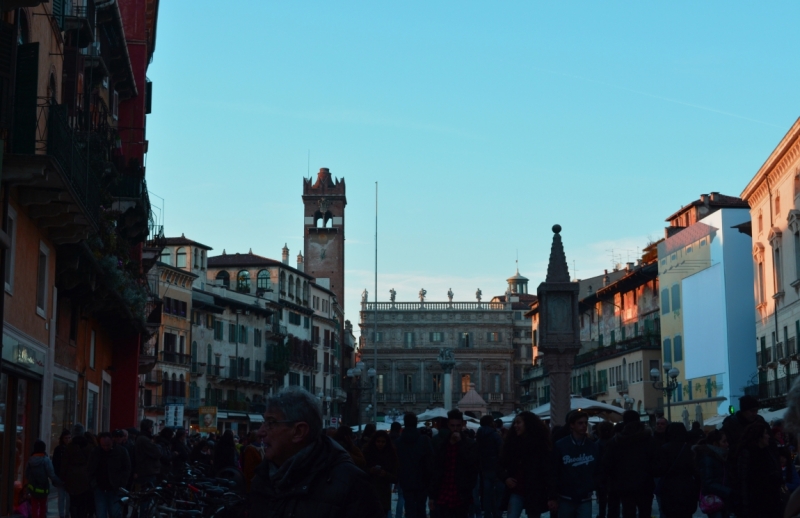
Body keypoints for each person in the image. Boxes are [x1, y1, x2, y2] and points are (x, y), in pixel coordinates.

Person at [249, 386, 383, 517]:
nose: (260, 432)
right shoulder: (261, 478)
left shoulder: (352, 485)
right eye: (264, 421)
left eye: (271, 423)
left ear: (299, 431)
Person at [497, 411, 554, 518]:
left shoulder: (540, 446)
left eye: (518, 423)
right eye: (515, 423)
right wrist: (506, 478)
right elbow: (499, 465)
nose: (515, 426)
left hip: (534, 491)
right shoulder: (511, 445)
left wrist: (552, 495)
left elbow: (548, 471)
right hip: (516, 489)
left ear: (528, 424)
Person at [601, 410, 657, 518]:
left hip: (624, 486)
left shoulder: (616, 442)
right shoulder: (649, 440)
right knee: (645, 512)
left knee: (628, 512)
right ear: (638, 420)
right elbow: (658, 463)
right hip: (645, 485)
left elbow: (606, 464)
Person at [429, 409, 479, 518]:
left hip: (461, 494)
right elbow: (436, 469)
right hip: (443, 492)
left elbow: (471, 464)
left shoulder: (470, 444)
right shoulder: (441, 444)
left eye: (458, 425)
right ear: (448, 425)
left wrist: (460, 444)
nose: (455, 429)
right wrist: (432, 495)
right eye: (452, 426)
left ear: (462, 425)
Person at [551, 410, 600, 518]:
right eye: (580, 423)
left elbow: (598, 469)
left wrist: (592, 484)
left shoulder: (593, 446)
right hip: (566, 497)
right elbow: (554, 471)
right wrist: (552, 496)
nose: (584, 426)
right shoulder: (560, 445)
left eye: (585, 423)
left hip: (585, 496)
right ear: (572, 425)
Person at [735, 422, 782, 518]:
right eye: (766, 433)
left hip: (771, 501)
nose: (768, 436)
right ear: (759, 437)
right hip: (756, 503)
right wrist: (745, 506)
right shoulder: (747, 453)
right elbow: (743, 481)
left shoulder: (767, 451)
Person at [654, 423, 698, 518]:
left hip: (669, 487)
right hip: (687, 487)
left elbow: (659, 470)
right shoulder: (689, 449)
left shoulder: (664, 449)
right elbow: (695, 470)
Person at [395, 413, 434, 518]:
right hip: (422, 479)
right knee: (421, 507)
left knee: (409, 507)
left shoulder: (398, 442)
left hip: (405, 479)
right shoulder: (424, 440)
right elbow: (431, 461)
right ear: (416, 423)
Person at [88, 432, 131, 518]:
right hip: (100, 487)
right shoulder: (96, 452)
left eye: (107, 445)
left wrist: (121, 483)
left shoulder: (121, 451)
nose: (105, 447)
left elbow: (127, 468)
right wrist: (93, 483)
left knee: (115, 513)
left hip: (115, 488)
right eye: (103, 445)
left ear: (112, 441)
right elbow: (90, 468)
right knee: (101, 513)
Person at [693, 429, 731, 518]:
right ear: (715, 443)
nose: (727, 444)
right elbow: (708, 482)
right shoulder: (708, 458)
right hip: (714, 499)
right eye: (724, 442)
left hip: (722, 497)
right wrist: (728, 491)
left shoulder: (720, 456)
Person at [61, 423, 94, 518]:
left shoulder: (69, 446)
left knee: (73, 500)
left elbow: (64, 463)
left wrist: (63, 477)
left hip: (72, 477)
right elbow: (92, 462)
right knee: (83, 501)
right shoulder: (89, 446)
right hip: (85, 476)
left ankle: (75, 515)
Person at [364, 430, 399, 517]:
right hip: (369, 492)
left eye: (383, 442)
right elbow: (360, 470)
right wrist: (370, 471)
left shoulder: (391, 455)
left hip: (383, 494)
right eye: (378, 441)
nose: (380, 444)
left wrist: (386, 474)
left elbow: (395, 477)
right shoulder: (367, 453)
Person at [26, 439, 62, 518]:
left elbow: (27, 474)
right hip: (43, 487)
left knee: (34, 506)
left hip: (33, 487)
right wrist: (59, 482)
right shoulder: (46, 460)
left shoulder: (30, 460)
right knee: (43, 506)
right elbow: (51, 474)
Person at [476, 415, 504, 518]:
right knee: (499, 493)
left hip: (484, 468)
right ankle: (497, 514)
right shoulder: (495, 435)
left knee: (487, 494)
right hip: (496, 468)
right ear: (490, 422)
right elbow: (502, 451)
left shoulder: (479, 434)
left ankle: (487, 514)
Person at [134, 419, 162, 488]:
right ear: (149, 428)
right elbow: (157, 452)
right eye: (151, 427)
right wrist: (156, 444)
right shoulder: (144, 439)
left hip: (146, 471)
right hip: (147, 472)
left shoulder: (142, 438)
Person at [52, 430, 71, 518]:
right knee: (62, 497)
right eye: (66, 438)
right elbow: (55, 463)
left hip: (68, 476)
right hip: (61, 476)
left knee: (67, 497)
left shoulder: (70, 449)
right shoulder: (59, 449)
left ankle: (66, 513)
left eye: (69, 438)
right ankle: (62, 514)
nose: (67, 440)